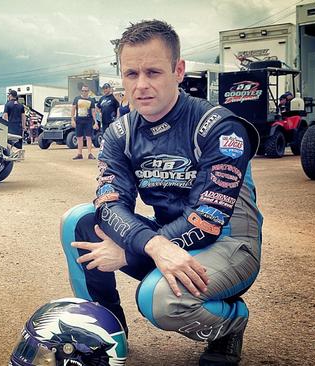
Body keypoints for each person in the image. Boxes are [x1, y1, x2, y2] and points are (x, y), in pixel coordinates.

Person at [60, 20, 262, 366]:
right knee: (78, 221)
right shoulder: (119, 132)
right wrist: (150, 245)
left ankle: (229, 325)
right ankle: (107, 334)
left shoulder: (220, 127)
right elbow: (109, 205)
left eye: (153, 72)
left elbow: (207, 220)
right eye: (131, 74)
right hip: (168, 242)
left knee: (159, 299)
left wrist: (131, 253)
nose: (141, 86)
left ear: (178, 70)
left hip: (229, 244)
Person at [71, 85, 98, 160]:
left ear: (88, 91)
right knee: (79, 137)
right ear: (81, 91)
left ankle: (90, 154)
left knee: (89, 137)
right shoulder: (77, 99)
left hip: (88, 121)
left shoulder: (91, 100)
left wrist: (95, 122)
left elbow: (93, 112)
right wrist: (72, 119)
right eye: (83, 90)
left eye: (86, 91)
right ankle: (79, 154)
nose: (84, 92)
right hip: (79, 120)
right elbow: (73, 109)